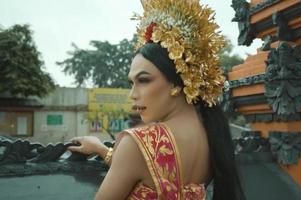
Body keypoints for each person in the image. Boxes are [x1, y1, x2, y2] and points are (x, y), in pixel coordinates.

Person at [67, 0, 245, 199]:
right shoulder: (212, 134)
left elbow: (146, 165)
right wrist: (102, 150)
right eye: (131, 83)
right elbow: (155, 173)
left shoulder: (138, 143)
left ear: (178, 82)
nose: (132, 94)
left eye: (143, 80)